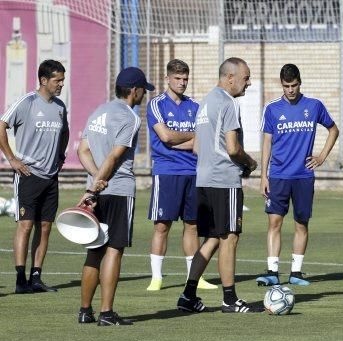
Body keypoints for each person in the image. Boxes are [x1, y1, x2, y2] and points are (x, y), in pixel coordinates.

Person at [176, 57, 261, 314]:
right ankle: (229, 299)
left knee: (212, 237)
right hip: (224, 180)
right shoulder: (228, 102)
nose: (249, 83)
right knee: (229, 237)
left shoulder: (205, 103)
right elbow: (233, 148)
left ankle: (188, 295)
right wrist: (250, 162)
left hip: (203, 179)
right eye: (246, 78)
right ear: (230, 77)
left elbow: (199, 146)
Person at [76, 67, 152, 325]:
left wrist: (95, 181)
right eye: (143, 89)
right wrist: (98, 185)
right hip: (117, 190)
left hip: (96, 190)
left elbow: (82, 150)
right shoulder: (130, 118)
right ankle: (107, 313)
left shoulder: (99, 111)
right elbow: (115, 156)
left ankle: (85, 311)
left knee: (94, 251)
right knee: (114, 250)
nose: (144, 94)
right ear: (134, 91)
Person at [255, 64, 340, 287]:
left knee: (301, 223)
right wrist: (263, 176)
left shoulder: (313, 106)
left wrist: (322, 156)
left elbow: (334, 129)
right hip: (279, 176)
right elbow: (266, 142)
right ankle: (272, 271)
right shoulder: (272, 109)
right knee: (274, 222)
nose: (290, 90)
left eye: (293, 85)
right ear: (281, 85)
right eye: (286, 86)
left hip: (303, 176)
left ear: (299, 83)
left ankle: (296, 272)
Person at [145, 59, 216, 291]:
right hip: (166, 172)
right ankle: (156, 278)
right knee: (162, 225)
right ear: (167, 79)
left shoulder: (194, 107)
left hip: (193, 172)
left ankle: (194, 277)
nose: (182, 82)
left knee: (193, 226)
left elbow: (200, 142)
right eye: (177, 78)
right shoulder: (156, 105)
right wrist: (185, 137)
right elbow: (164, 137)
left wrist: (177, 140)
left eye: (185, 78)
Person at [0, 60, 68, 294]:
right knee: (26, 225)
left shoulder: (60, 106)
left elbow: (65, 131)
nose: (61, 84)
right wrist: (12, 159)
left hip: (51, 177)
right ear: (43, 80)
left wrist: (60, 155)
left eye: (62, 79)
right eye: (57, 80)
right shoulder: (26, 102)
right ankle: (21, 280)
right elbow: (1, 125)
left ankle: (36, 277)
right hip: (28, 174)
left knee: (46, 226)